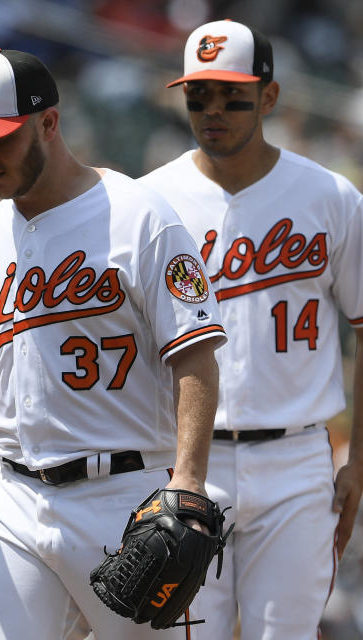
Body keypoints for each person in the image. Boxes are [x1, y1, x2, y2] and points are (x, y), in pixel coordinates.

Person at [0, 47, 229, 639]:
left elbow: (194, 354)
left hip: (127, 496)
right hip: (15, 497)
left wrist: (188, 480)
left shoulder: (138, 216)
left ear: (48, 123)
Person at [140, 19, 363, 639]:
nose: (214, 111)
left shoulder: (330, 197)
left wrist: (360, 459)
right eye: (198, 96)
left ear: (270, 96)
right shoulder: (150, 201)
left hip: (296, 461)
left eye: (233, 96)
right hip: (186, 461)